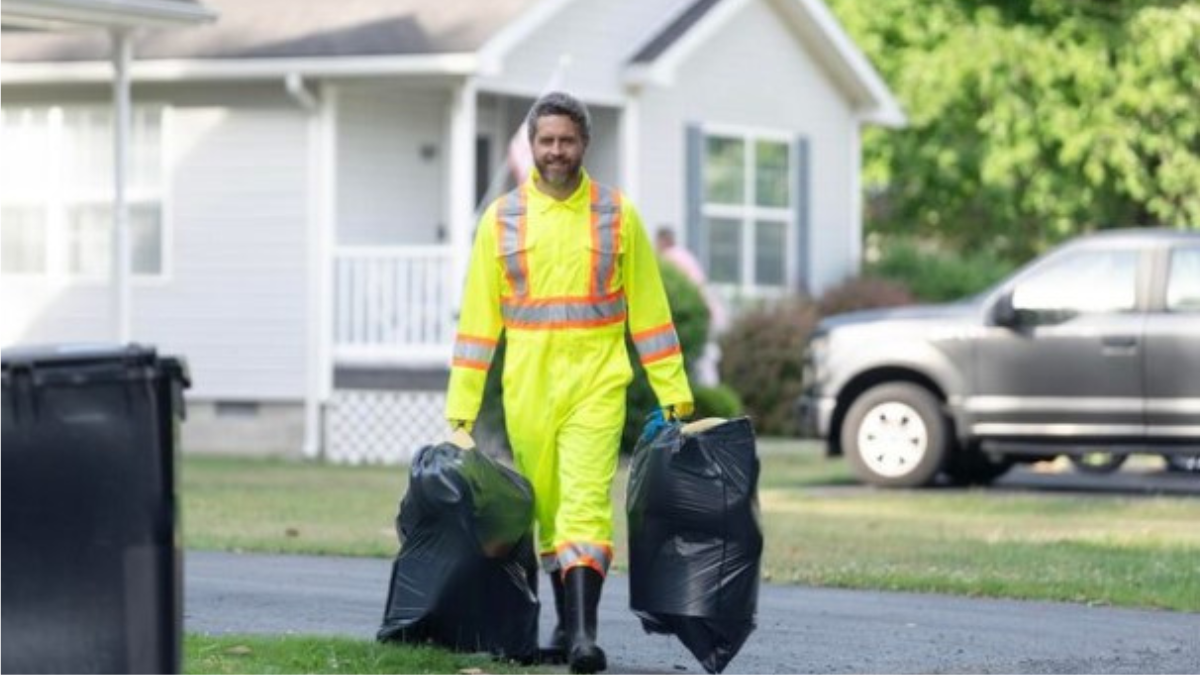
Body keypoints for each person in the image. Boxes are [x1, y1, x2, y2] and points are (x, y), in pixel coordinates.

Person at [445, 91, 694, 674]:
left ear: (585, 143)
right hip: (528, 388)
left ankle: (583, 637)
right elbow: (477, 322)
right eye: (546, 141)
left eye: (567, 140)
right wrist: (462, 408)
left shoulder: (617, 214)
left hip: (596, 384)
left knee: (584, 504)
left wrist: (674, 392)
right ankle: (562, 625)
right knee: (549, 508)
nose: (556, 151)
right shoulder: (501, 219)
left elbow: (650, 312)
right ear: (532, 145)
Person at [655, 227, 726, 386]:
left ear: (662, 241)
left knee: (701, 360)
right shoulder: (684, 255)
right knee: (705, 357)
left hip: (701, 312)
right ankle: (709, 389)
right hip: (710, 309)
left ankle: (707, 391)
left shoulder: (670, 258)